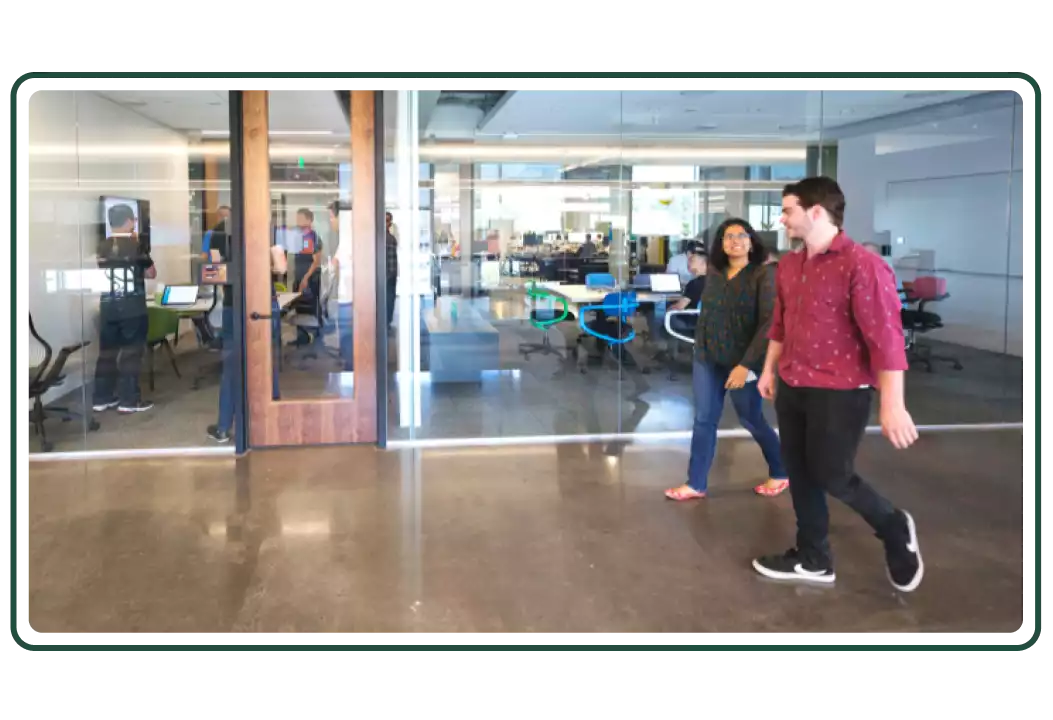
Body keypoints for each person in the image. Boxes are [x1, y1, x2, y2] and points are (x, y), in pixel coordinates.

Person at [753, 176, 922, 591]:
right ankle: (813, 558)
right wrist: (770, 368)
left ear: (814, 211)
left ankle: (894, 525)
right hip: (793, 385)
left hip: (840, 391)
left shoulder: (863, 265)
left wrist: (892, 403)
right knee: (801, 473)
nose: (783, 218)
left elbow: (886, 338)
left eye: (788, 209)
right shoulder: (790, 266)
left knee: (833, 475)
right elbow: (780, 324)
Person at [664, 218, 789, 501]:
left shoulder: (763, 274)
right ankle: (696, 483)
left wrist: (746, 366)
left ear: (751, 240)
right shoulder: (716, 273)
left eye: (741, 235)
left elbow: (769, 323)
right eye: (728, 236)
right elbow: (707, 314)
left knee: (751, 418)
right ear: (720, 244)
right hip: (708, 357)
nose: (735, 241)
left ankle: (781, 471)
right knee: (704, 419)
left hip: (743, 361)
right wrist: (700, 347)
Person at [207, 219, 285, 443]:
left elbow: (216, 269)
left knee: (232, 365)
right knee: (267, 361)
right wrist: (261, 268)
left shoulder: (219, 231)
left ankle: (223, 427)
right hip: (264, 302)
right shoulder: (264, 226)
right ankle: (273, 421)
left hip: (235, 304)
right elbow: (281, 268)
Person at [91, 203, 155, 414]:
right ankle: (129, 400)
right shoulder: (136, 245)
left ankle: (102, 398)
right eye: (133, 220)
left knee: (107, 353)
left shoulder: (102, 246)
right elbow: (151, 273)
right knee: (131, 353)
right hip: (132, 307)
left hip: (108, 306)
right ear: (129, 221)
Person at [290, 208, 323, 346]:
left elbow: (316, 261)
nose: (298, 221)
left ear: (309, 220)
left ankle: (315, 337)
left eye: (301, 218)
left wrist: (306, 278)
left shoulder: (314, 237)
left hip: (310, 278)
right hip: (299, 277)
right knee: (299, 307)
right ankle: (302, 337)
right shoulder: (299, 236)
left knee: (310, 307)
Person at [329, 201, 354, 371]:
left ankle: (351, 372)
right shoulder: (346, 239)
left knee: (348, 337)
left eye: (332, 217)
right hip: (346, 296)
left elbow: (336, 266)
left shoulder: (349, 240)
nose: (331, 222)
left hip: (350, 299)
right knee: (346, 338)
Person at [385, 213, 399, 330]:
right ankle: (387, 321)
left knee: (389, 298)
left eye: (387, 220)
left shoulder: (388, 239)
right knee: (390, 298)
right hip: (390, 274)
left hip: (388, 275)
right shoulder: (391, 238)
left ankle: (386, 321)